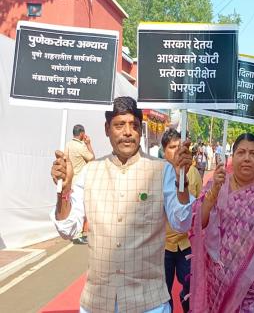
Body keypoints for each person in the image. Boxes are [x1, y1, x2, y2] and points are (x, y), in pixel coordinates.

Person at [50, 97, 194, 313]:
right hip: (97, 302)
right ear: (107, 129)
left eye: (134, 125)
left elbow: (182, 222)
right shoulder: (90, 172)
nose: (128, 132)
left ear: (140, 131)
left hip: (149, 302)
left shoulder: (161, 170)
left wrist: (181, 181)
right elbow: (67, 229)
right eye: (119, 125)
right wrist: (64, 190)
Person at [189, 133, 254, 312]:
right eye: (241, 153)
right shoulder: (217, 185)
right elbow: (200, 222)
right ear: (233, 157)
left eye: (253, 154)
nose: (247, 158)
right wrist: (213, 192)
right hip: (216, 288)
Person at [161, 129, 202, 313]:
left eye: (179, 146)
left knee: (190, 288)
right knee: (163, 292)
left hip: (186, 244)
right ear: (163, 151)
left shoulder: (192, 173)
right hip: (164, 246)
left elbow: (199, 206)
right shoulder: (158, 174)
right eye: (171, 148)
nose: (176, 151)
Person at [64, 124, 95, 245]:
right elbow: (92, 159)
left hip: (71, 180)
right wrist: (88, 144)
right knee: (80, 209)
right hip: (79, 182)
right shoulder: (81, 146)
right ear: (81, 133)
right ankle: (78, 235)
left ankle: (76, 233)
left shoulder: (68, 144)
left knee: (74, 208)